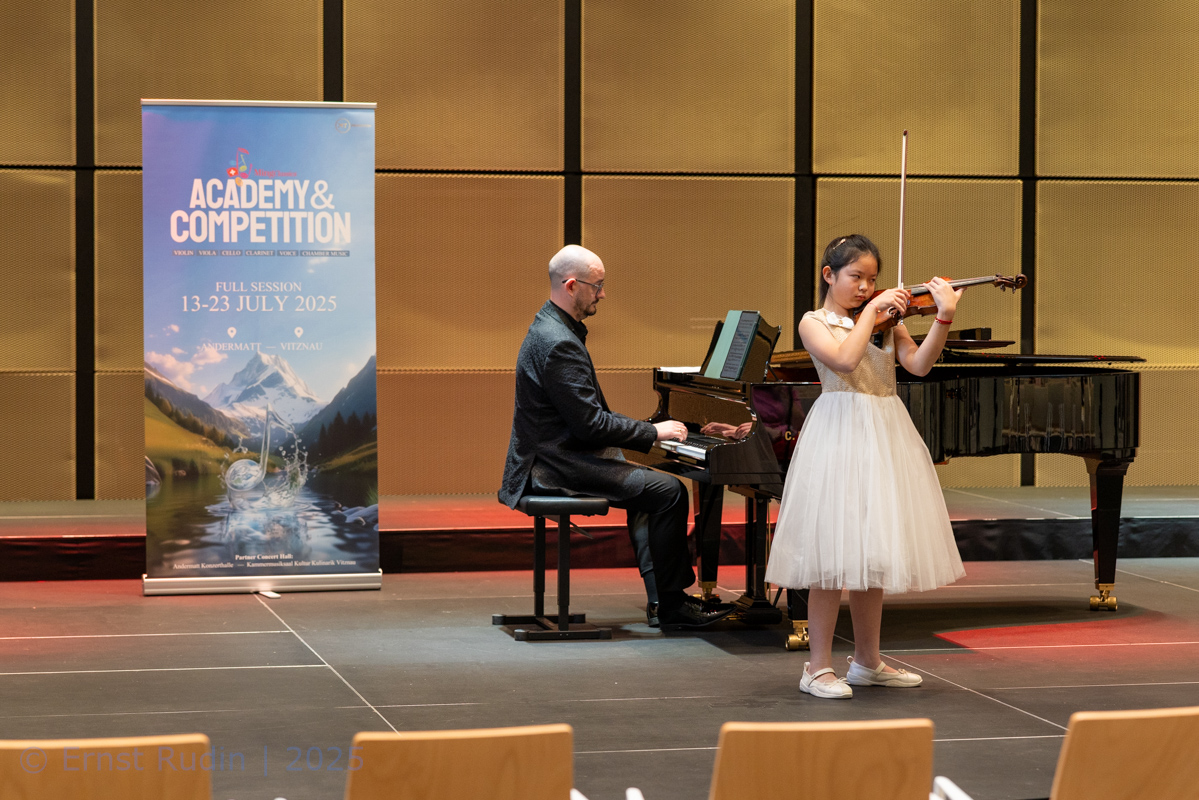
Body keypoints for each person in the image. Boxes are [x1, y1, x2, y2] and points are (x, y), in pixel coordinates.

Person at [764, 234, 966, 698]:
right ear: (829, 275)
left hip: (884, 431)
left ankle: (867, 662)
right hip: (838, 433)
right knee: (829, 557)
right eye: (856, 277)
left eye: (872, 280)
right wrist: (874, 311)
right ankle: (817, 667)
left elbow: (918, 365)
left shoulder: (884, 320)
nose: (865, 287)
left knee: (872, 550)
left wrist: (944, 317)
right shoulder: (814, 322)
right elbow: (844, 359)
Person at [499, 245, 733, 629]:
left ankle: (662, 600)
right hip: (555, 466)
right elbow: (590, 425)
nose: (603, 294)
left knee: (650, 489)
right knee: (669, 492)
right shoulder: (559, 341)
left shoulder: (549, 326)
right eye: (597, 285)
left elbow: (586, 417)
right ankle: (673, 605)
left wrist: (645, 432)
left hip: (551, 456)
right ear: (571, 286)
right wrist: (652, 432)